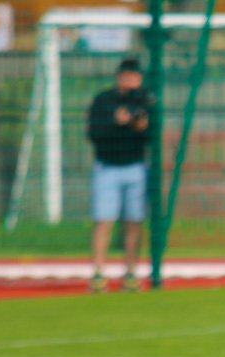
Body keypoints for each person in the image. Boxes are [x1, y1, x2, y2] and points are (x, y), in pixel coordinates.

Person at [87, 57, 153, 293]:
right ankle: (98, 273)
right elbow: (93, 134)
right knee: (103, 220)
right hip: (107, 167)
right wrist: (115, 122)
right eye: (126, 78)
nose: (129, 83)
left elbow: (152, 135)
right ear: (118, 77)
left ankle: (131, 272)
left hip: (135, 167)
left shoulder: (146, 100)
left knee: (134, 222)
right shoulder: (103, 100)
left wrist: (140, 126)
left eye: (134, 79)